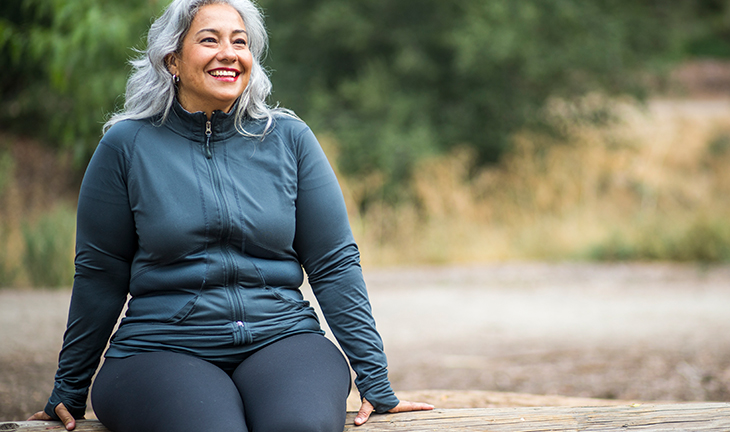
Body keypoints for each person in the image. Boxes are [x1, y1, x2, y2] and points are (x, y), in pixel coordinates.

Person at [27, 0, 433, 430]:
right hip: (161, 347)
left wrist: (375, 378)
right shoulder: (126, 146)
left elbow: (334, 263)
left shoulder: (289, 139)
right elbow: (100, 273)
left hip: (282, 338)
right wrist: (69, 388)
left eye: (240, 42)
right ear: (172, 60)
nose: (229, 53)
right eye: (209, 39)